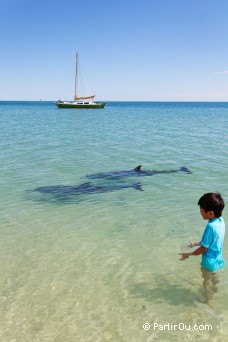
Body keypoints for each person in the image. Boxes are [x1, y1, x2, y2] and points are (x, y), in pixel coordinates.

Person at [179, 192, 225, 302]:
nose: (200, 212)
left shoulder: (210, 226)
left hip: (209, 261)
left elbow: (204, 248)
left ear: (210, 213)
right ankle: (216, 290)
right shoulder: (221, 221)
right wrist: (194, 244)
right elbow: (211, 241)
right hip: (218, 258)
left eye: (201, 210)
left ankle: (207, 300)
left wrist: (188, 254)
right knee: (214, 277)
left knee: (206, 281)